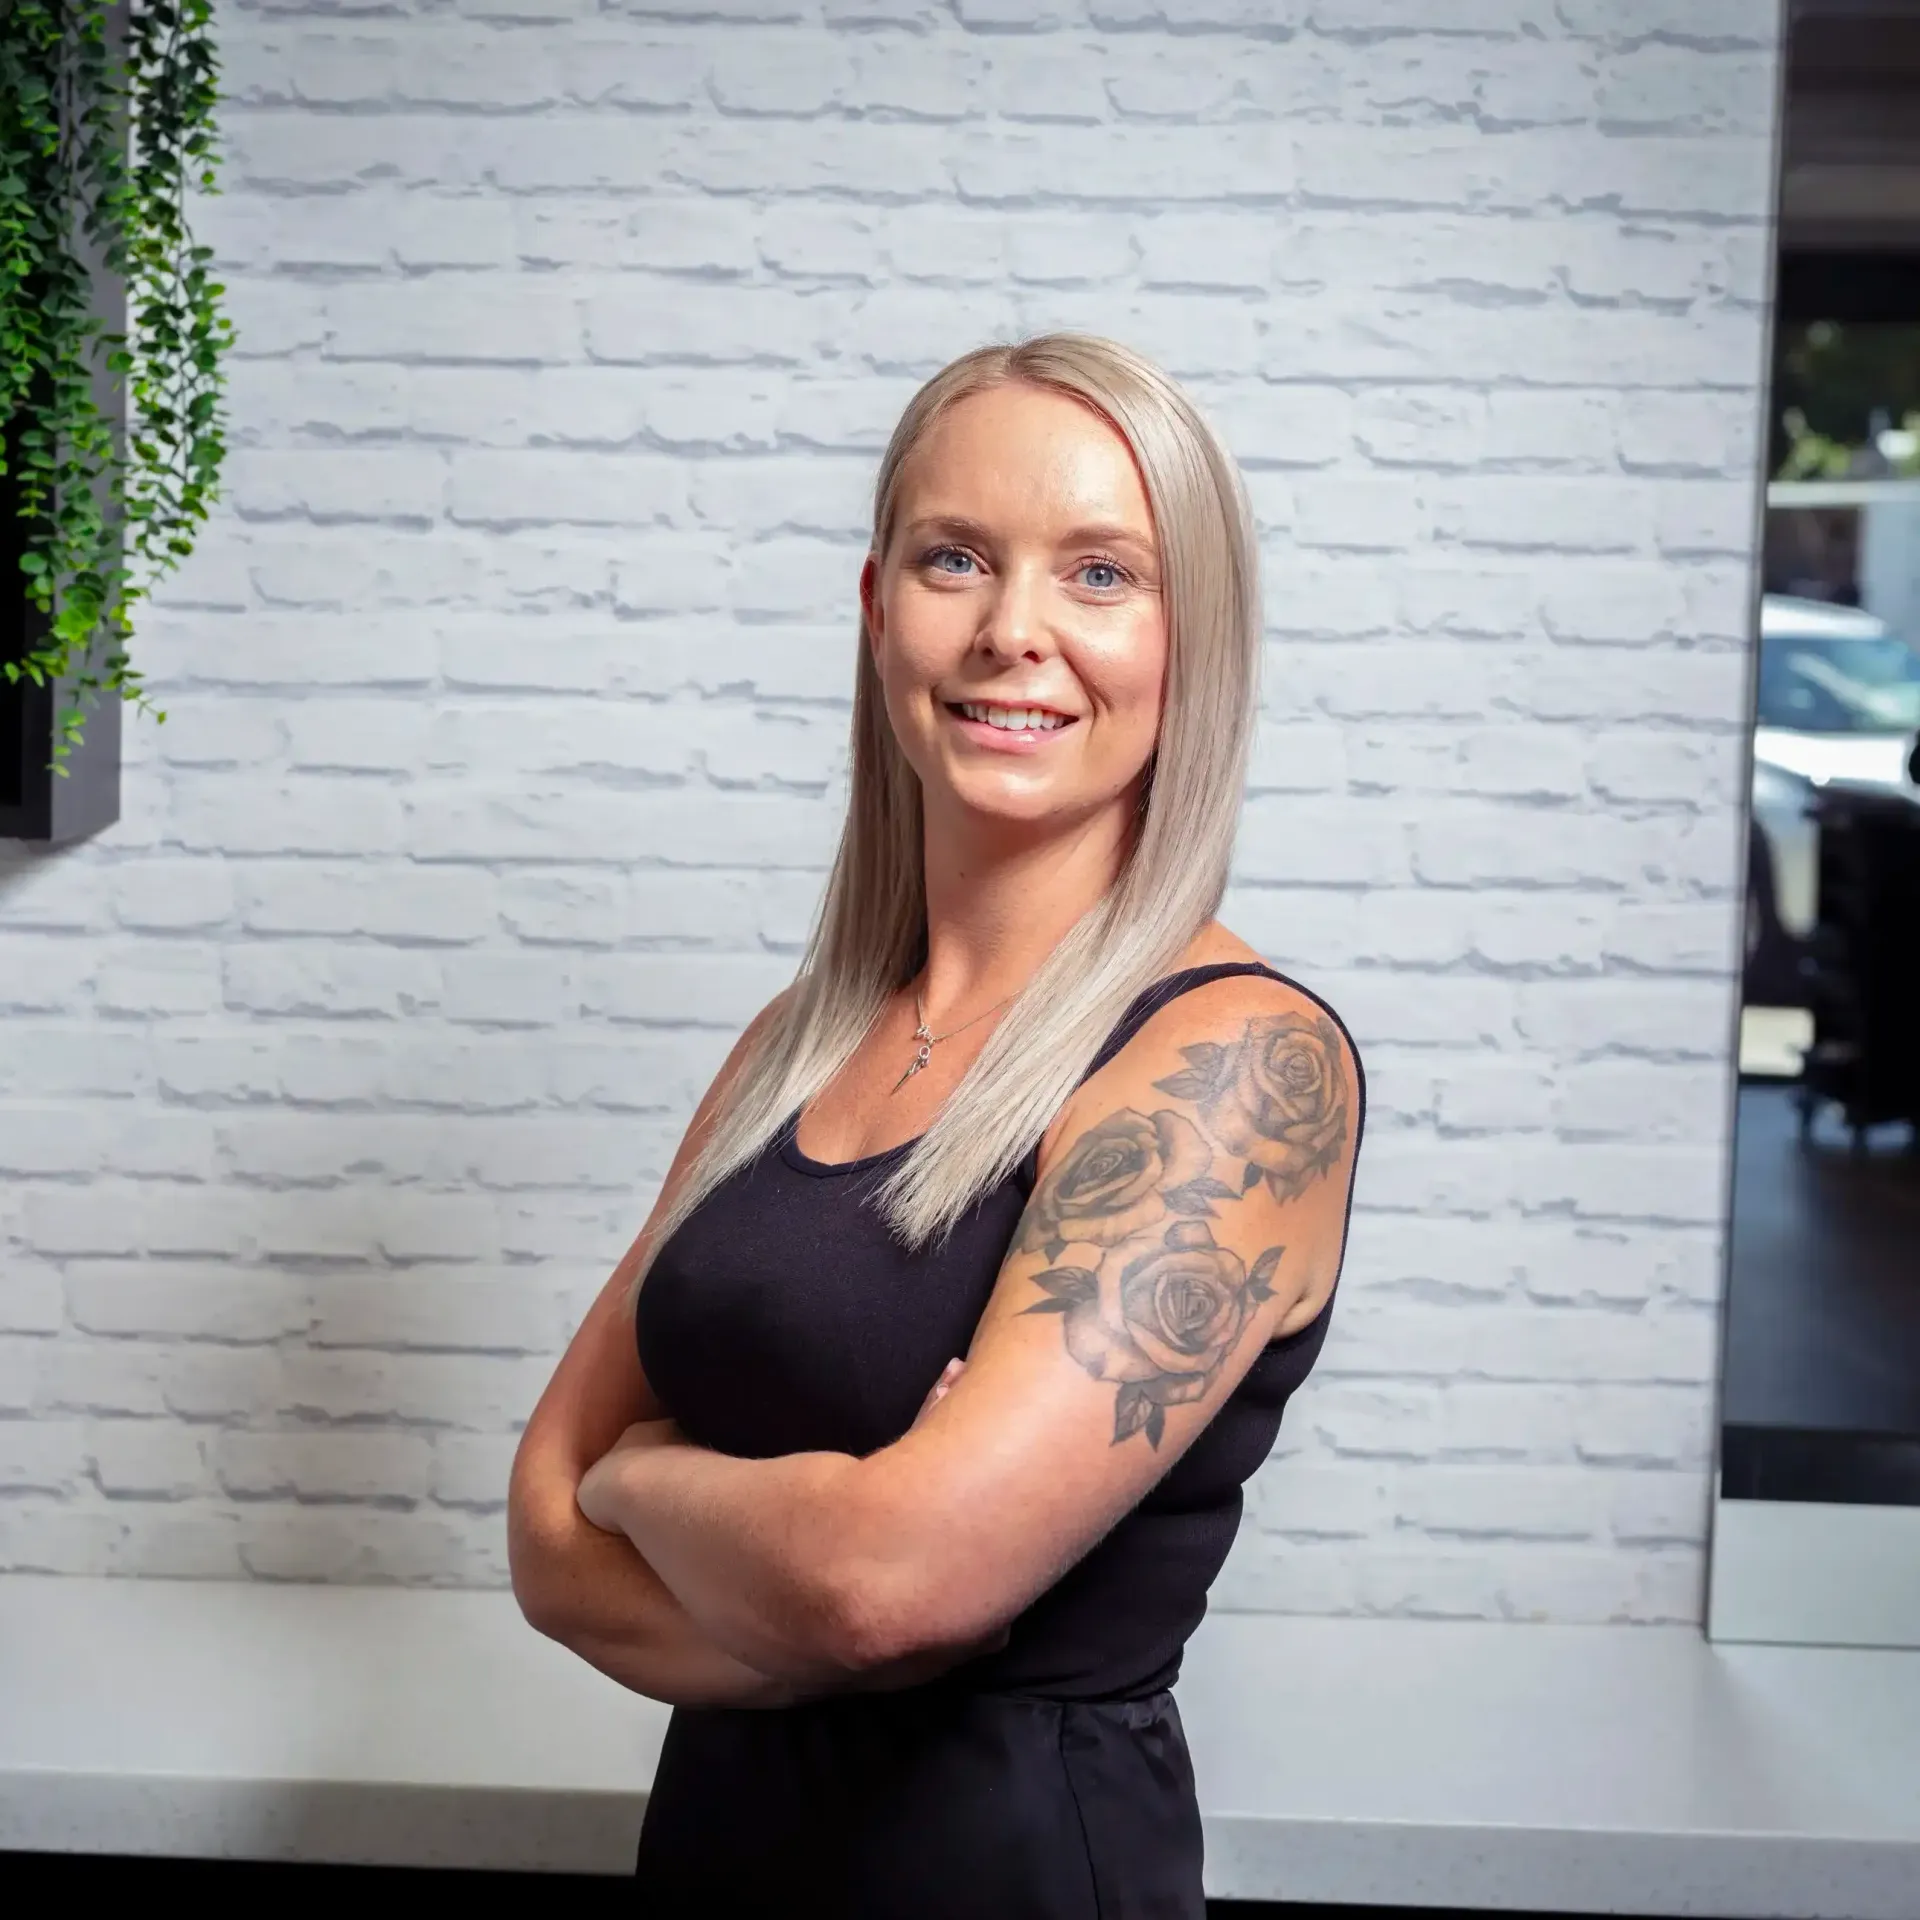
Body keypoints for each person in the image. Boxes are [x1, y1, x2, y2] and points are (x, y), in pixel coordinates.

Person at [506, 332, 1367, 1918]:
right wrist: (810, 1563)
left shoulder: (1238, 1062)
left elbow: (888, 1585)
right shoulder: (796, 1043)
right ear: (875, 607)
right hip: (715, 1858)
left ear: (1199, 642)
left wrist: (650, 1482)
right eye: (954, 559)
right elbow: (544, 1539)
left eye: (1102, 574)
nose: (1012, 633)